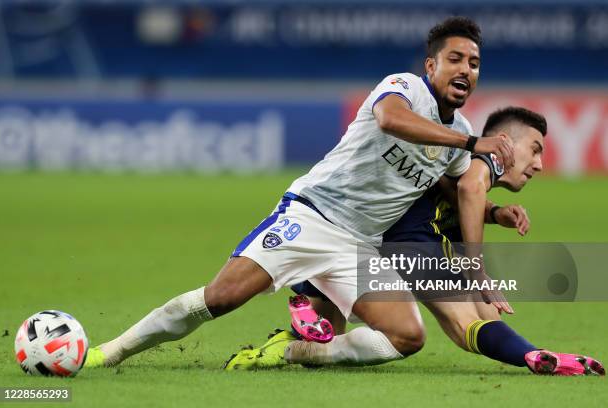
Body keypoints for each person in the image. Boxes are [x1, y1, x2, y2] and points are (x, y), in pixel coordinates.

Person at [84, 16, 515, 370]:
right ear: (430, 66)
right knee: (221, 298)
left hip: (360, 246)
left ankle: (289, 350)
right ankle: (111, 352)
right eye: (454, 59)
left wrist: (495, 212)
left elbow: (457, 190)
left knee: (407, 337)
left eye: (474, 64)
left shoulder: (459, 132)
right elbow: (388, 120)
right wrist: (472, 146)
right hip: (310, 216)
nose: (465, 70)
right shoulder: (404, 88)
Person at [225, 107, 604, 376]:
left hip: (354, 229)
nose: (539, 163)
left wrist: (493, 212)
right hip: (406, 239)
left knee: (332, 331)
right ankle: (298, 329)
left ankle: (292, 330)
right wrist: (477, 267)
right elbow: (470, 186)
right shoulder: (487, 158)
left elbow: (456, 188)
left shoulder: (456, 162)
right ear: (505, 141)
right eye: (535, 149)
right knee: (456, 323)